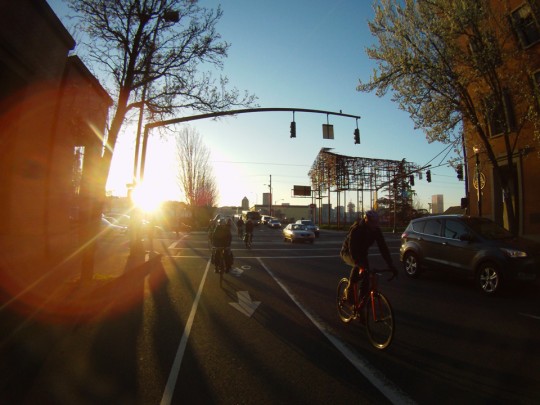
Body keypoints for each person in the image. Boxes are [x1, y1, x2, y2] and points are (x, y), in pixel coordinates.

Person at [345, 210, 397, 305]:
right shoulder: (357, 229)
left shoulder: (376, 230)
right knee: (358, 266)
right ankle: (349, 288)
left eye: (376, 223)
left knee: (366, 277)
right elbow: (352, 249)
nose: (374, 225)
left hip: (362, 253)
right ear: (366, 220)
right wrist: (359, 263)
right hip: (348, 251)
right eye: (372, 223)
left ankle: (361, 303)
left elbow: (383, 247)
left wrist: (391, 264)